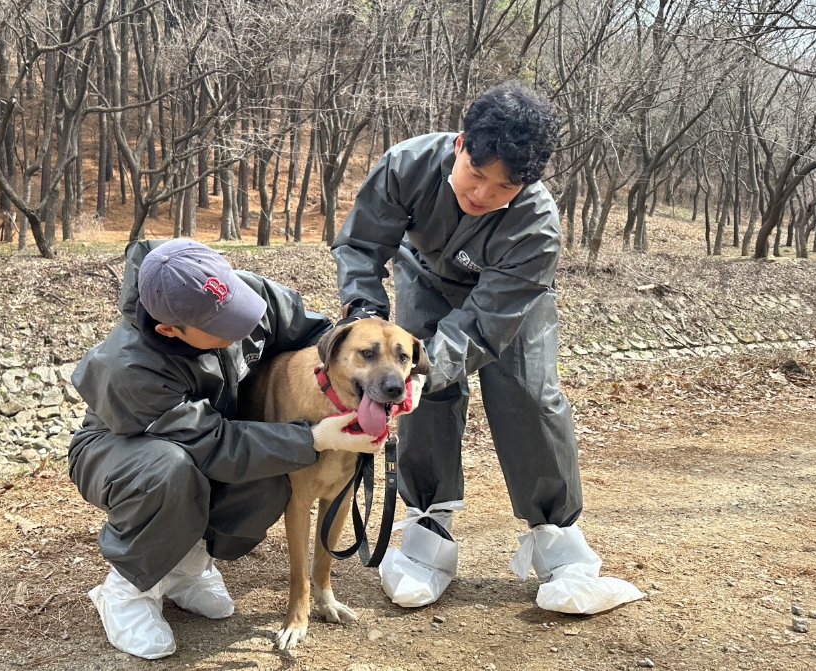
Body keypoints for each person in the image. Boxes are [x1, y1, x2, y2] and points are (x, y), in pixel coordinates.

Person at [331, 81, 644, 614]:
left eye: (502, 189)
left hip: (509, 301)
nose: (481, 195)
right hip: (425, 277)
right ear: (459, 145)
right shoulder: (406, 165)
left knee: (529, 397)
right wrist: (363, 312)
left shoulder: (537, 228)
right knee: (422, 396)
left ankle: (562, 548)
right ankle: (428, 536)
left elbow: (481, 326)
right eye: (475, 175)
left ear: (526, 185)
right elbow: (361, 245)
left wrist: (426, 367)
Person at [68, 239, 383, 659]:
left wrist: (374, 382)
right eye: (224, 326)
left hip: (213, 435)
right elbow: (212, 445)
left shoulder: (234, 294)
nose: (242, 327)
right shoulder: (130, 368)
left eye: (240, 310)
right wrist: (315, 438)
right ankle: (128, 588)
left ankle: (185, 566)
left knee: (273, 470)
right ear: (168, 330)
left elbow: (319, 337)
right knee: (171, 469)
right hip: (119, 451)